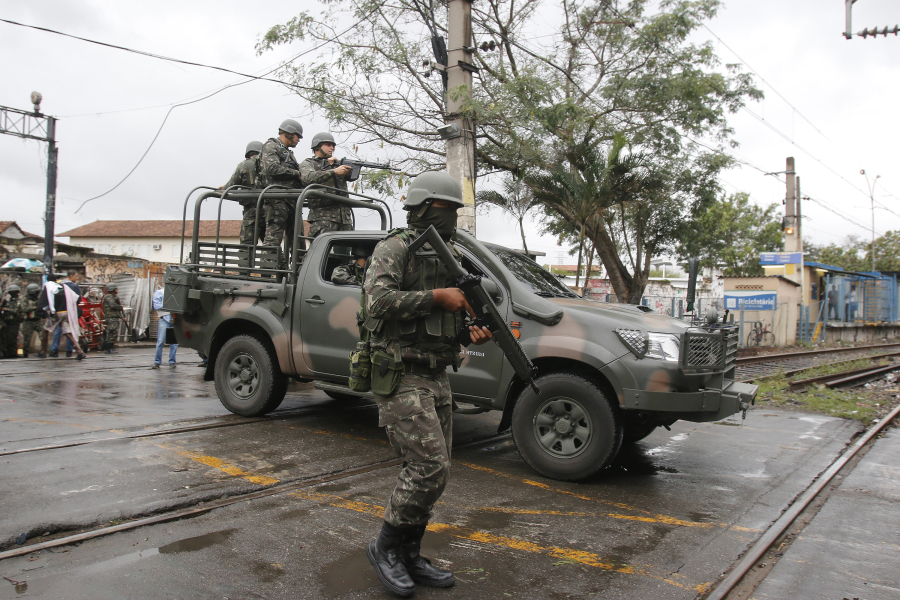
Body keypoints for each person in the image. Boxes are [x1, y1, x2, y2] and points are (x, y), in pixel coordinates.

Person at [362, 171, 492, 597]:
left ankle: (410, 552)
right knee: (428, 467)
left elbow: (442, 324)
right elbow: (377, 302)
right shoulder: (395, 247)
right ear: (421, 208)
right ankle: (385, 548)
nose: (450, 217)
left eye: (455, 210)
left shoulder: (449, 254)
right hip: (400, 373)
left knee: (436, 472)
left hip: (436, 375)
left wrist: (465, 331)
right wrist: (438, 297)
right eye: (443, 209)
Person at [260, 119, 304, 254]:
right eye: (298, 136)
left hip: (290, 199)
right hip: (277, 200)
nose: (299, 140)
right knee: (273, 241)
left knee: (298, 241)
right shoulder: (271, 146)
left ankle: (297, 273)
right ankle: (267, 273)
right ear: (289, 133)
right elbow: (271, 168)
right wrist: (296, 173)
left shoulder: (288, 153)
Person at [300, 132, 354, 240]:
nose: (332, 148)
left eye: (333, 145)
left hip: (344, 218)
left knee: (344, 255)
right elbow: (307, 178)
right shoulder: (308, 163)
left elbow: (351, 176)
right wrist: (333, 171)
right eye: (328, 145)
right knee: (319, 252)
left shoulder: (336, 164)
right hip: (323, 218)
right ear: (318, 146)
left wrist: (341, 166)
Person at [223, 141, 265, 245]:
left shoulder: (244, 165)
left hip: (251, 211)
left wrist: (223, 187)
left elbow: (231, 185)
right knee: (270, 246)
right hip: (268, 211)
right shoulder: (268, 165)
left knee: (246, 247)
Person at [39, 274, 86, 360]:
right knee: (67, 333)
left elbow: (44, 300)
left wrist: (42, 310)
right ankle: (80, 351)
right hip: (66, 312)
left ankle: (43, 351)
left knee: (45, 330)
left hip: (57, 313)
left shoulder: (49, 286)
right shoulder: (62, 287)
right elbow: (76, 298)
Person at [49, 270, 82, 357]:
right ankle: (69, 350)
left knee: (58, 330)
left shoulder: (58, 285)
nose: (77, 278)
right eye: (76, 276)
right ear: (71, 276)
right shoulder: (73, 286)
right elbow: (78, 299)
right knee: (69, 330)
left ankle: (54, 350)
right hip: (69, 311)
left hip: (59, 310)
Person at [151, 287, 177, 369]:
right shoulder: (161, 292)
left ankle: (172, 361)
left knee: (174, 343)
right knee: (160, 342)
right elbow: (156, 305)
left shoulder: (177, 292)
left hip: (175, 320)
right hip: (164, 319)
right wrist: (169, 304)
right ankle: (157, 362)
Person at [19, 283, 45, 358]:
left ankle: (42, 351)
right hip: (28, 321)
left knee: (43, 335)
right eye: (36, 292)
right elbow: (24, 309)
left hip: (37, 320)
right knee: (26, 339)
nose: (38, 294)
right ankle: (25, 354)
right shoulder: (25, 299)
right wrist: (35, 307)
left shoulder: (38, 299)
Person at [0, 285, 23, 358]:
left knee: (13, 339)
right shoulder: (8, 301)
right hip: (7, 322)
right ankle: (6, 353)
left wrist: (6, 309)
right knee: (5, 338)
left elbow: (17, 311)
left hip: (14, 322)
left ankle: (13, 353)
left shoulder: (19, 301)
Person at [102, 282, 124, 354]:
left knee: (113, 333)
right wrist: (120, 307)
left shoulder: (112, 297)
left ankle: (110, 348)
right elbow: (113, 306)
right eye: (115, 288)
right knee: (112, 333)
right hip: (111, 318)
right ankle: (108, 348)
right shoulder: (108, 297)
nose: (117, 290)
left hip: (113, 317)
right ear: (112, 289)